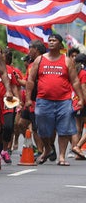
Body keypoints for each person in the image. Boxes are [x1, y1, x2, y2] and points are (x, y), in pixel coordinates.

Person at [25, 34, 85, 165]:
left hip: (64, 101)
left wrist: (81, 98)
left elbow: (75, 81)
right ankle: (47, 148)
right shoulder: (40, 60)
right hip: (43, 101)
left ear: (60, 45)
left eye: (54, 41)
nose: (51, 43)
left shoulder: (67, 61)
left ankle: (62, 156)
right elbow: (30, 80)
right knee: (42, 128)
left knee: (63, 130)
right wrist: (28, 98)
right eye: (50, 40)